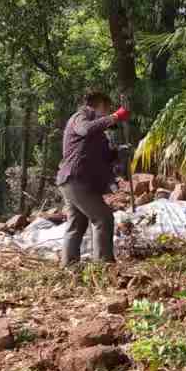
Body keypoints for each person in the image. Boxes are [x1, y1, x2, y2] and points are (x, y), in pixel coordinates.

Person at [56, 88, 129, 266]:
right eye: (107, 109)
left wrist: (120, 152)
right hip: (76, 180)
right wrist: (115, 117)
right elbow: (85, 130)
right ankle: (104, 265)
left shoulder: (98, 135)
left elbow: (104, 156)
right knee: (103, 217)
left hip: (75, 181)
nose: (107, 114)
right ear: (99, 105)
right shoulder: (80, 117)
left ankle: (69, 267)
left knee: (77, 225)